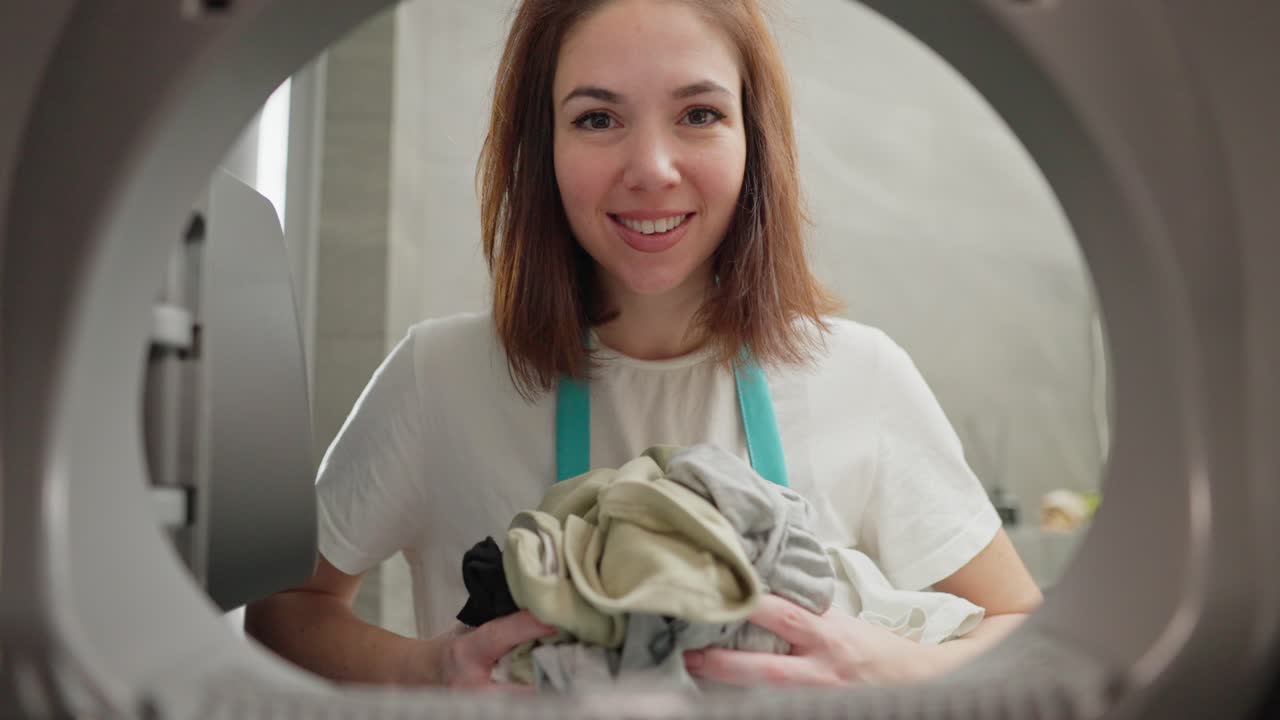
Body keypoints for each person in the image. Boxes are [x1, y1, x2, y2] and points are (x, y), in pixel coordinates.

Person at [246, 0, 1042, 690]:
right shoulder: (438, 378)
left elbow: (1023, 625)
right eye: (598, 118)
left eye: (699, 114)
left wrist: (884, 664)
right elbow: (286, 609)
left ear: (751, 135)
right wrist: (430, 670)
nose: (652, 169)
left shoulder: (862, 375)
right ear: (543, 147)